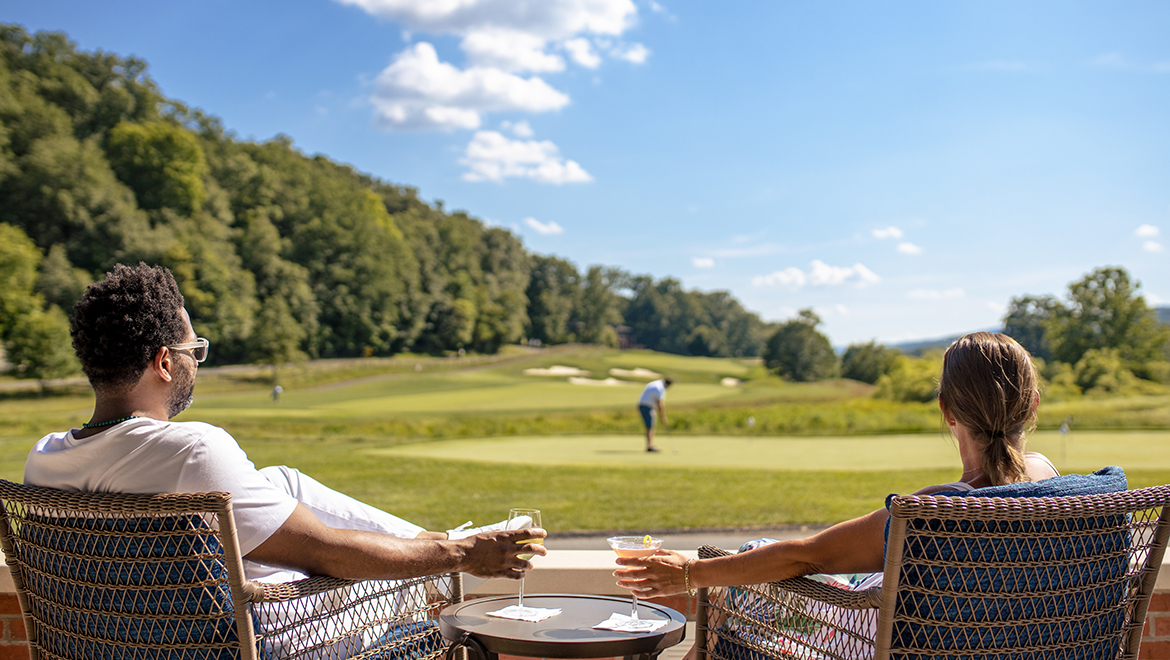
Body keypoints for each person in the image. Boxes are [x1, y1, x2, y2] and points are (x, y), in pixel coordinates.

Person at [24, 263, 545, 585]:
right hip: (242, 643)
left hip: (112, 637)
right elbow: (327, 554)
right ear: (163, 362)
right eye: (193, 352)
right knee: (416, 580)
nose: (195, 365)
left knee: (282, 481)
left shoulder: (43, 458)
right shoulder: (192, 451)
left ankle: (437, 536)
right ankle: (456, 542)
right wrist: (457, 556)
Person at [616, 332, 1060, 627]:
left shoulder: (933, 511)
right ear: (1034, 406)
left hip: (881, 644)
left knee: (752, 564)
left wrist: (691, 573)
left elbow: (805, 557)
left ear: (946, 409)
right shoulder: (1058, 486)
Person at [637, 377, 673, 452]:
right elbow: (660, 404)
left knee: (650, 425)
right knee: (650, 426)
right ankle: (649, 446)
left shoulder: (657, 383)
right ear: (668, 385)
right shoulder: (659, 388)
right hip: (646, 406)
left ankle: (650, 445)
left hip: (645, 405)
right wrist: (662, 417)